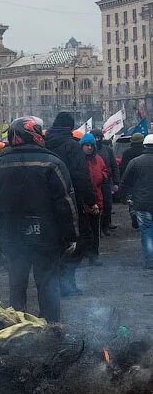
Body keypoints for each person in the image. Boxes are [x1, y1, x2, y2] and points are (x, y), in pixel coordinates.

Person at [0, 117, 76, 323]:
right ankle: (51, 327)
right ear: (35, 135)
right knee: (48, 283)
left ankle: (17, 328)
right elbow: (65, 203)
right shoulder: (52, 162)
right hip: (46, 236)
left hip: (11, 236)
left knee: (16, 284)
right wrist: (70, 236)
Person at [44, 112, 95, 296]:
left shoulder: (43, 144)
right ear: (69, 127)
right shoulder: (72, 146)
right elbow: (80, 176)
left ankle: (52, 284)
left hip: (45, 204)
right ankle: (66, 283)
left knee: (54, 244)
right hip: (70, 201)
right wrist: (91, 201)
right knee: (80, 241)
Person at [120, 134, 153, 269]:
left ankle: (150, 259)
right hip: (143, 201)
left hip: (142, 203)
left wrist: (125, 197)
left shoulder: (135, 162)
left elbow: (125, 182)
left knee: (146, 230)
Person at [80, 132, 108, 265]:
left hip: (97, 198)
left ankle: (93, 256)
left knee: (94, 230)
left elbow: (106, 171)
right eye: (86, 145)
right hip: (82, 201)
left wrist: (102, 176)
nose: (89, 148)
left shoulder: (98, 159)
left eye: (91, 145)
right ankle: (82, 254)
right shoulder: (78, 160)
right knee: (84, 231)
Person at [91, 129, 119, 239]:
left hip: (106, 182)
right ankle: (96, 229)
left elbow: (114, 166)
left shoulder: (108, 150)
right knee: (95, 206)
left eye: (99, 138)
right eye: (95, 138)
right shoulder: (89, 150)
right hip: (93, 184)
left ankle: (105, 226)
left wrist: (116, 182)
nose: (98, 140)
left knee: (107, 205)